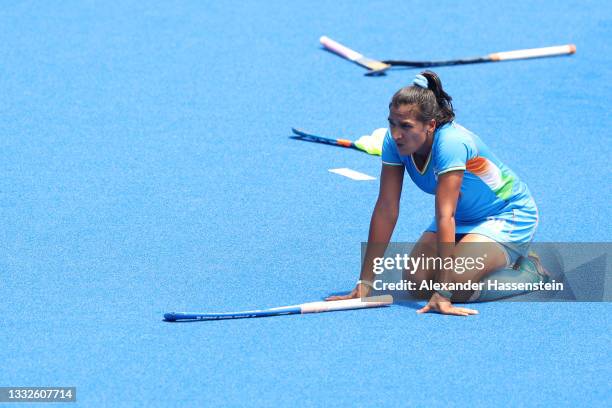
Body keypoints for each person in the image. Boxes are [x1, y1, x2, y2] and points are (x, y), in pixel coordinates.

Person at [326, 70, 548, 316]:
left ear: (430, 125)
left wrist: (443, 292)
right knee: (417, 282)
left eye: (406, 126)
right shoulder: (394, 142)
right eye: (392, 123)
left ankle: (531, 270)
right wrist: (365, 283)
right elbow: (387, 208)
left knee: (456, 285)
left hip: (506, 214)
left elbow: (445, 216)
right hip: (462, 217)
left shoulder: (451, 144)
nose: (396, 134)